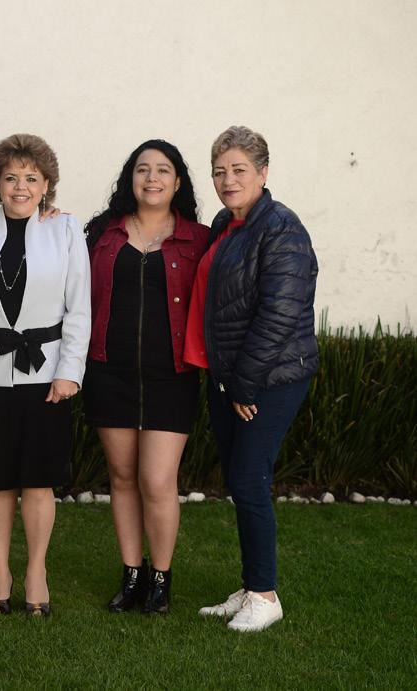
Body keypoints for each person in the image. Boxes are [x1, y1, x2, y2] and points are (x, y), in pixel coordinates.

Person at [0, 134, 90, 616]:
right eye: (10, 178)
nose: (20, 187)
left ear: (46, 184)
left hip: (46, 375)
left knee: (39, 481)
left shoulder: (66, 230)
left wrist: (69, 371)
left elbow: (79, 308)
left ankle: (36, 572)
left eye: (31, 178)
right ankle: (0, 571)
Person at [187, 126, 318, 632]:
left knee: (248, 479)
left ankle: (265, 596)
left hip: (269, 378)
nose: (228, 180)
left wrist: (244, 384)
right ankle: (251, 585)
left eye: (239, 170)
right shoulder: (227, 224)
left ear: (263, 173)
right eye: (220, 171)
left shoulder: (281, 228)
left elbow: (278, 314)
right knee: (241, 481)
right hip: (231, 378)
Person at [82, 140, 209, 615]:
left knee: (156, 480)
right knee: (121, 477)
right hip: (108, 371)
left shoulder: (199, 239)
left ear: (177, 182)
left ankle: (161, 578)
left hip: (170, 376)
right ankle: (132, 573)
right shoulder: (102, 233)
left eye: (162, 170)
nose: (151, 178)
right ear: (129, 179)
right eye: (142, 169)